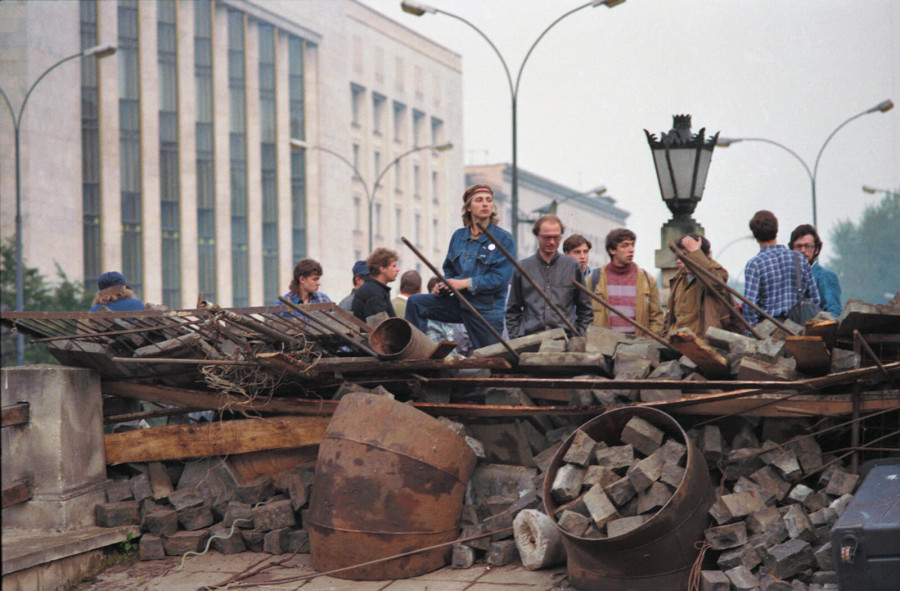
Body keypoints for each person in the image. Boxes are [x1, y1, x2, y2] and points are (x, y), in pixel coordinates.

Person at [405, 183, 515, 350]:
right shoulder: (459, 236)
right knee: (416, 302)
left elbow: (500, 279)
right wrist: (444, 286)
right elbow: (449, 269)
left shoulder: (504, 239)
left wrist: (464, 283)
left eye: (489, 200)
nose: (485, 204)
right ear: (469, 207)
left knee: (491, 358)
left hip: (486, 311)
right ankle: (415, 350)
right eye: (479, 200)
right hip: (460, 303)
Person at [506, 215, 592, 338]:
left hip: (565, 341)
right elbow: (512, 310)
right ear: (537, 236)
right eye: (546, 237)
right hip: (530, 340)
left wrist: (578, 336)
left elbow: (585, 309)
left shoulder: (572, 267)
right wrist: (516, 339)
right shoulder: (523, 268)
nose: (551, 242)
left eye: (556, 237)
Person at [743, 210, 819, 326]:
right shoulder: (798, 258)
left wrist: (752, 331)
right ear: (776, 230)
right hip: (800, 330)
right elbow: (814, 298)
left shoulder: (755, 265)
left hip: (771, 332)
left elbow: (750, 307)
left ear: (755, 236)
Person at [587, 228, 664, 336]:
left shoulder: (646, 279)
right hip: (604, 346)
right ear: (612, 250)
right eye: (625, 245)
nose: (631, 249)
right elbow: (585, 314)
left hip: (637, 347)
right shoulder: (595, 278)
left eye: (632, 245)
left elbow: (657, 316)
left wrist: (649, 340)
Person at [665, 234, 735, 336]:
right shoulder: (679, 277)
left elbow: (715, 284)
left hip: (701, 343)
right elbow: (670, 316)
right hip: (677, 343)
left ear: (704, 256)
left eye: (690, 254)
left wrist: (696, 253)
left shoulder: (717, 273)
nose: (684, 260)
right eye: (683, 254)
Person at [789, 224, 841, 317]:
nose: (803, 250)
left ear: (816, 250)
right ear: (792, 249)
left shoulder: (825, 276)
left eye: (807, 246)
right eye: (798, 246)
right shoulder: (788, 277)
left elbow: (834, 313)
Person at [352, 247, 400, 322]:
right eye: (394, 266)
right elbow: (379, 326)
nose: (398, 269)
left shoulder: (376, 289)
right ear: (382, 269)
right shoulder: (373, 292)